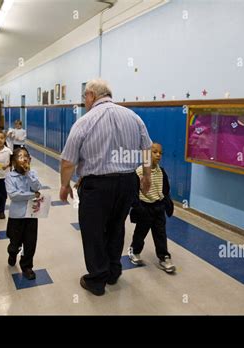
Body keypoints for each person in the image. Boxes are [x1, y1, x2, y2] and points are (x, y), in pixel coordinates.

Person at [60, 79, 152, 296]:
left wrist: (64, 185)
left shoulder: (85, 121)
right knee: (116, 227)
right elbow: (147, 148)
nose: (84, 102)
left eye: (84, 97)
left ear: (91, 95)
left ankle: (97, 280)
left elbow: (67, 162)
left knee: (93, 231)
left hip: (97, 186)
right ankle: (113, 271)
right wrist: (146, 177)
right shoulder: (133, 117)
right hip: (128, 182)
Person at [128, 143, 176, 273]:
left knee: (160, 233)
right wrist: (138, 207)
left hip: (158, 207)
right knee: (140, 233)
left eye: (160, 153)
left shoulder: (161, 172)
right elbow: (133, 192)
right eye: (154, 152)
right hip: (144, 208)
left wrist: (167, 204)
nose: (158, 155)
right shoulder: (139, 172)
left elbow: (165, 189)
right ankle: (134, 250)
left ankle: (164, 257)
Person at [5, 147, 42, 280]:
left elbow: (38, 187)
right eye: (20, 156)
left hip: (31, 214)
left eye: (26, 156)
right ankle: (12, 253)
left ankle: (27, 266)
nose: (24, 158)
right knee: (15, 243)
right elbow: (14, 195)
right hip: (16, 216)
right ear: (14, 161)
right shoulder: (10, 176)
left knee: (30, 242)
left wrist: (28, 174)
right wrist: (32, 195)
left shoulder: (32, 173)